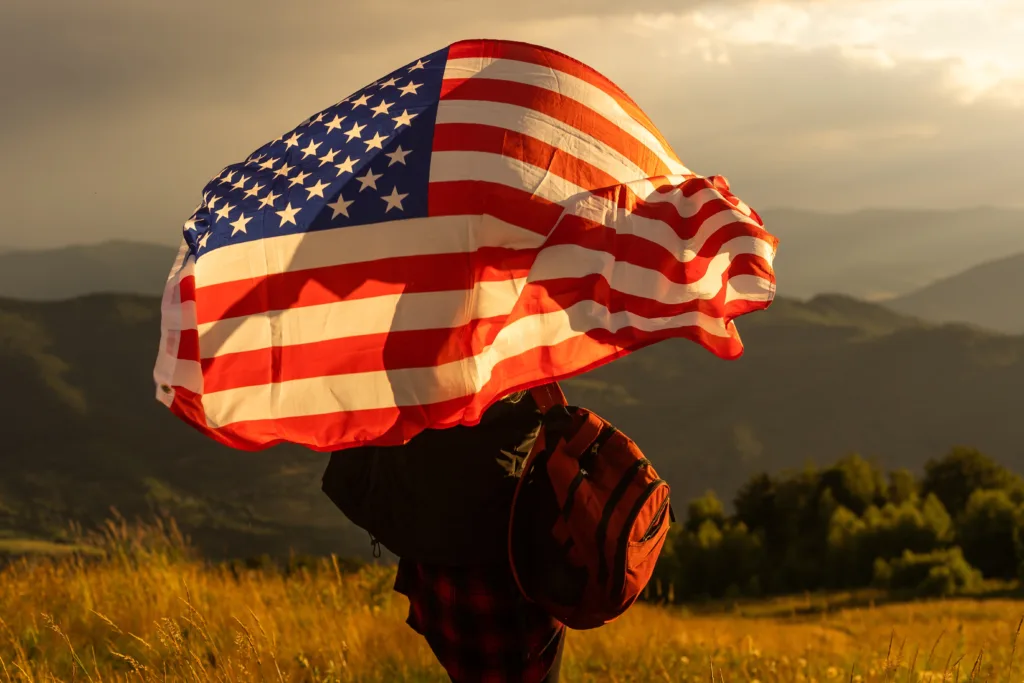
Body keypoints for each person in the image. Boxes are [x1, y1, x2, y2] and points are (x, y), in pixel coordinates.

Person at [322, 388, 567, 682]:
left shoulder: (415, 366)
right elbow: (559, 429)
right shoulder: (516, 365)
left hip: (437, 564)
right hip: (510, 569)